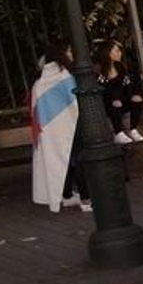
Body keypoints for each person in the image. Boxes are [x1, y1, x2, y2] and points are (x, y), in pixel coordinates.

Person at [29, 38, 88, 213]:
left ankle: (67, 195)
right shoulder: (65, 76)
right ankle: (86, 198)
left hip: (49, 129)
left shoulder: (40, 80)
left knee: (62, 160)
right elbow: (76, 101)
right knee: (78, 160)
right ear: (61, 54)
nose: (72, 55)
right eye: (69, 52)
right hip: (73, 124)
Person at [94, 40, 143, 144]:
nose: (120, 53)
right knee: (114, 102)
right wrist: (115, 98)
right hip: (108, 103)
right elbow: (104, 90)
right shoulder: (99, 71)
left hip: (122, 100)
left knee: (137, 99)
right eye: (116, 51)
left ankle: (133, 129)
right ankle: (118, 133)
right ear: (107, 53)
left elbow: (127, 85)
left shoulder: (121, 67)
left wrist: (134, 95)